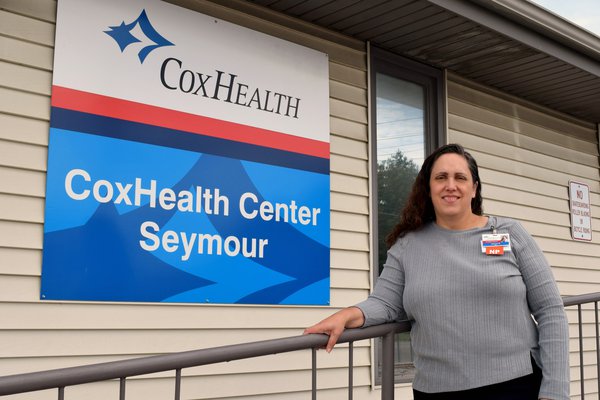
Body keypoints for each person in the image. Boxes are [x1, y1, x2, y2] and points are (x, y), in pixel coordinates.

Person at [304, 143, 569, 400]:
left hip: (515, 385)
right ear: (428, 189)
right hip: (435, 391)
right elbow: (384, 303)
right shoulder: (408, 245)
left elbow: (550, 311)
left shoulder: (511, 234)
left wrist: (555, 391)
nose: (450, 185)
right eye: (441, 177)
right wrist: (347, 315)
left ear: (474, 188)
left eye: (460, 177)